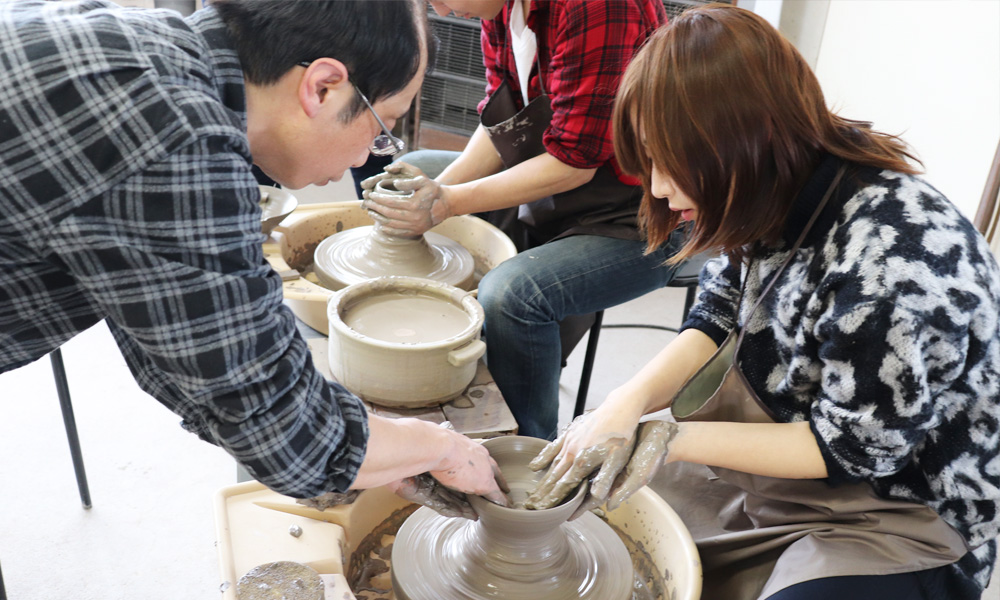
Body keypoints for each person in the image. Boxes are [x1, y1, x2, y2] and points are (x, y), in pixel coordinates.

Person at [525, 5, 1000, 599]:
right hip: (796, 460)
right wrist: (627, 404)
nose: (658, 187)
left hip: (904, 513)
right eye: (650, 159)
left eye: (673, 163)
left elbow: (854, 449)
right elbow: (719, 312)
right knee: (613, 528)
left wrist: (670, 439)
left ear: (743, 144)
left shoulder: (892, 272)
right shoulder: (774, 185)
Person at [0, 0, 508, 519]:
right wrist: (439, 446)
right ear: (324, 86)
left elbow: (184, 360)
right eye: (384, 126)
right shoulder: (179, 142)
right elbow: (287, 436)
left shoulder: (142, 44)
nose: (364, 159)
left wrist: (362, 450)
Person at [361, 0, 682, 440]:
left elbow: (576, 161)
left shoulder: (597, 5)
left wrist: (448, 203)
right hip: (555, 177)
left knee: (512, 295)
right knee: (419, 171)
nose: (437, 7)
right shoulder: (502, 9)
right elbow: (505, 123)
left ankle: (525, 450)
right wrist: (437, 192)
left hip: (644, 207)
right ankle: (445, 368)